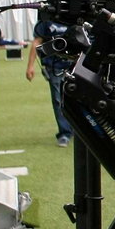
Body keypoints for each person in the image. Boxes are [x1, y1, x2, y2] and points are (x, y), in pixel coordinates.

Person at [25, 18, 75, 147]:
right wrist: (30, 66)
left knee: (76, 98)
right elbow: (37, 42)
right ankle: (65, 133)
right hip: (54, 66)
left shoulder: (74, 17)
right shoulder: (46, 21)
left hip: (74, 65)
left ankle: (77, 129)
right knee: (58, 99)